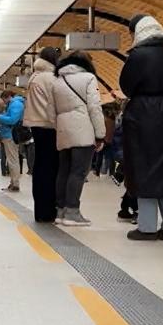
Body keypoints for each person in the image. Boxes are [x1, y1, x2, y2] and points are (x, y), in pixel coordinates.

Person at [119, 15, 163, 241]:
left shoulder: (138, 56)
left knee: (144, 167)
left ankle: (147, 226)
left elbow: (126, 86)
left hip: (143, 116)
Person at [52, 51, 107, 226]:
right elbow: (95, 107)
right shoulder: (89, 78)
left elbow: (51, 109)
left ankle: (60, 211)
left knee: (64, 171)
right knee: (78, 172)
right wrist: (100, 134)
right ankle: (73, 212)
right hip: (83, 131)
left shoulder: (57, 81)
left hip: (63, 131)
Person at [23, 47, 62, 223]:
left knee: (39, 168)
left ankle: (40, 210)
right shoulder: (51, 78)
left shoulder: (34, 77)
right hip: (49, 126)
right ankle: (49, 210)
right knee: (51, 169)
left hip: (36, 126)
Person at [0, 90, 25, 191]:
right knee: (12, 160)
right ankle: (13, 182)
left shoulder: (16, 104)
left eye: (4, 99)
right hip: (8, 135)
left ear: (7, 96)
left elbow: (12, 120)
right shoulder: (12, 104)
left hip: (11, 135)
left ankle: (15, 184)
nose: (4, 102)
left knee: (13, 160)